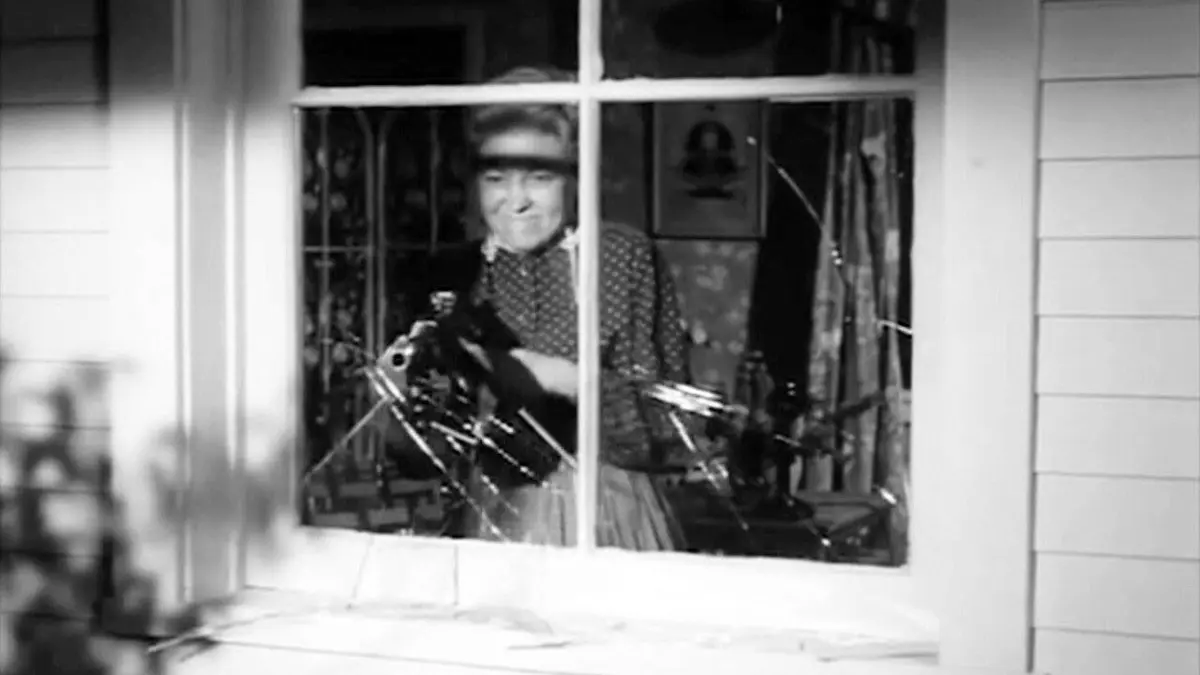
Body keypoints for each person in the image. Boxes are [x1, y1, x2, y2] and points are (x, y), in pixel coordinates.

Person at [414, 65, 693, 550]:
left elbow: (665, 427)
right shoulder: (459, 271)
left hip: (607, 512)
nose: (515, 201)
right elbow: (430, 441)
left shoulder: (621, 256)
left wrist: (563, 379)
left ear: (578, 175)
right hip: (496, 512)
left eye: (539, 178)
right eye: (496, 178)